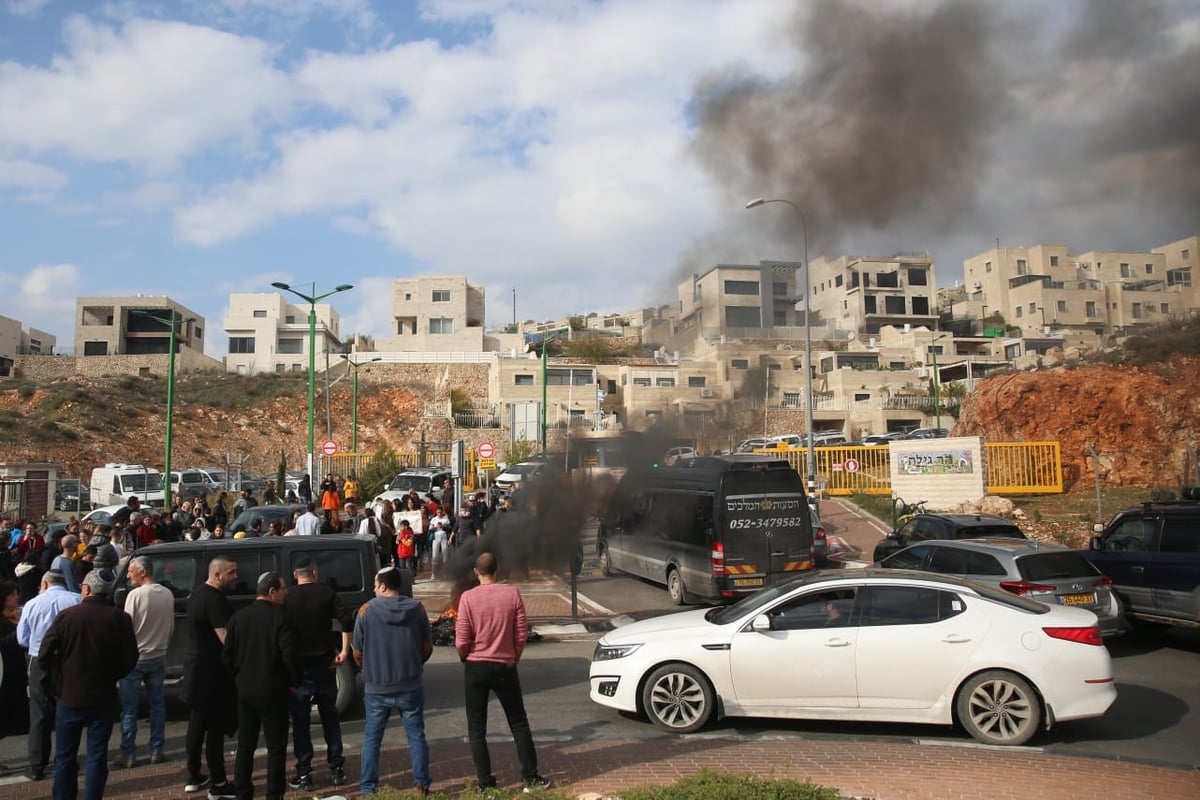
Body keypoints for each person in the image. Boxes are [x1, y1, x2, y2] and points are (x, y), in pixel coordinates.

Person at [39, 568, 139, 800]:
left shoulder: (68, 616)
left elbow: (45, 653)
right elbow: (130, 658)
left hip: (70, 694)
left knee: (65, 756)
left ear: (86, 589)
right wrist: (113, 674)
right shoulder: (120, 618)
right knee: (97, 755)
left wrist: (57, 677)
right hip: (102, 694)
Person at [455, 552, 550, 794]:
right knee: (519, 722)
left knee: (477, 729)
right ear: (497, 570)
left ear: (476, 572)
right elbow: (520, 634)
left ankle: (485, 785)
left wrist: (465, 656)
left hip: (476, 667)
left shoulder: (467, 598)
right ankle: (530, 776)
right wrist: (513, 656)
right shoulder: (512, 594)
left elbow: (462, 639)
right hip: (505, 666)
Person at [353, 566, 432, 797]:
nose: (374, 589)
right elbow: (427, 647)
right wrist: (416, 663)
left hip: (377, 686)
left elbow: (357, 651)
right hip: (410, 683)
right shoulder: (417, 609)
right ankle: (421, 784)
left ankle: (368, 788)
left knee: (372, 738)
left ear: (384, 586)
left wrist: (367, 669)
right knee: (416, 735)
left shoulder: (366, 610)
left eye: (376, 585)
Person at [223, 572, 301, 800]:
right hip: (274, 689)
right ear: (272, 592)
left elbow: (227, 656)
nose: (286, 593)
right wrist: (294, 681)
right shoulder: (281, 618)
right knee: (276, 747)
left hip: (246, 689)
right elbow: (289, 655)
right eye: (283, 589)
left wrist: (238, 676)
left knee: (245, 745)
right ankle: (274, 794)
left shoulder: (238, 618)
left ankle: (243, 791)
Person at [284, 558, 354, 791]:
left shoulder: (288, 597)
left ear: (296, 574)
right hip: (325, 664)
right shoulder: (326, 592)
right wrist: (344, 651)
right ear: (314, 572)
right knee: (330, 717)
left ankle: (304, 773)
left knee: (301, 722)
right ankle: (336, 767)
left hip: (299, 668)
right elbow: (346, 618)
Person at [16, 569, 82, 781]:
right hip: (69, 660)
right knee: (68, 710)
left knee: (39, 714)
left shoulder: (33, 604)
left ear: (45, 583)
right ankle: (67, 758)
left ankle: (37, 764)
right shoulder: (76, 600)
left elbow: (22, 638)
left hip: (39, 660)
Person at [183, 557, 239, 798]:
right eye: (231, 573)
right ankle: (219, 782)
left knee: (196, 725)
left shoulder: (196, 594)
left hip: (195, 668)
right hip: (212, 673)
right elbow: (224, 638)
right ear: (217, 575)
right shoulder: (216, 600)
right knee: (215, 728)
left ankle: (193, 775)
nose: (236, 577)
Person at [117, 556, 175, 768]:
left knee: (130, 709)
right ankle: (156, 749)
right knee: (157, 705)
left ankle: (128, 753)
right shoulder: (167, 593)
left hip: (136, 657)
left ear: (143, 572)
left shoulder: (135, 595)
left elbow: (127, 627)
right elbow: (171, 626)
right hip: (159, 654)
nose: (129, 575)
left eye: (131, 571)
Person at [1, 579, 30, 770]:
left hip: (15, 673)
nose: (17, 598)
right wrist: (20, 632)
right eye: (12, 595)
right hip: (3, 675)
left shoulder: (14, 616)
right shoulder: (4, 621)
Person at [428, 507, 451, 580]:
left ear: (442, 512)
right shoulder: (434, 519)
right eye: (438, 512)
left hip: (444, 537)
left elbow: (450, 528)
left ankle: (445, 573)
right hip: (436, 537)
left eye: (440, 512)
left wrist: (443, 527)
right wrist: (436, 528)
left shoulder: (446, 519)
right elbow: (430, 529)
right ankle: (433, 574)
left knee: (445, 555)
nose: (439, 514)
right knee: (435, 555)